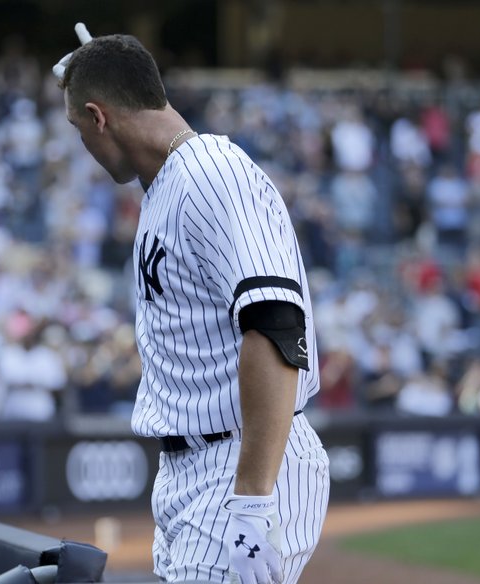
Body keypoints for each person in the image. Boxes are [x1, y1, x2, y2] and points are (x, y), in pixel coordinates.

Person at [55, 27, 330, 584]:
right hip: (195, 468)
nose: (80, 139)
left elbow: (277, 326)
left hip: (241, 462)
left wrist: (251, 502)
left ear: (99, 116)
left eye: (78, 124)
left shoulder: (210, 172)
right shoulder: (165, 187)